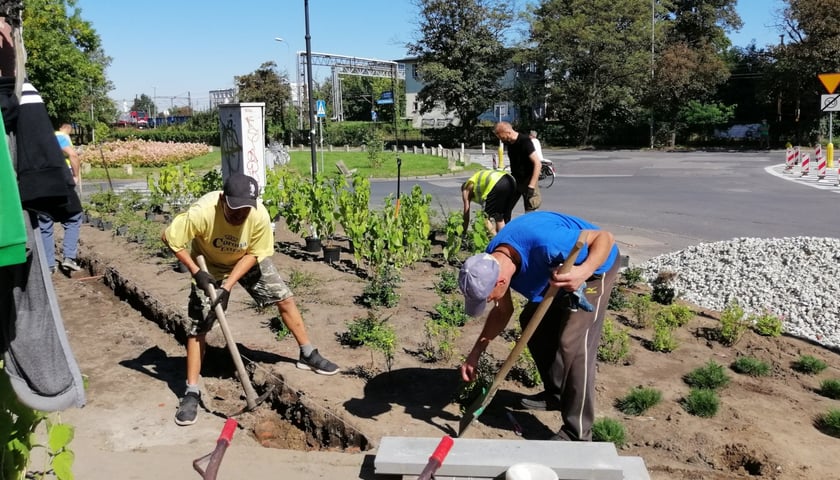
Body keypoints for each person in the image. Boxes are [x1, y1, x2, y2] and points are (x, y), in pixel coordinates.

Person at [161, 173, 339, 426]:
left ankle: (307, 353)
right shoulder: (202, 212)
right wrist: (197, 272)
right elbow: (169, 237)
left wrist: (229, 286)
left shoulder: (258, 216)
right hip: (207, 266)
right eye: (234, 210)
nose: (239, 215)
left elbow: (256, 253)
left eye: (245, 210)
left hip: (245, 260)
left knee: (284, 297)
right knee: (197, 327)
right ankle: (191, 391)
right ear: (223, 199)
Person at [458, 211, 620, 442]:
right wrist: (475, 353)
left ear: (501, 282)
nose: (490, 301)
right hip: (556, 271)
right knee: (531, 323)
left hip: (594, 266)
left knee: (573, 344)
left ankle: (578, 433)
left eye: (488, 297)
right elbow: (503, 311)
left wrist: (582, 273)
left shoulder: (548, 243)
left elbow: (604, 238)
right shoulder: (490, 263)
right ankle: (556, 395)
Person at [38, 122, 82, 273]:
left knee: (45, 223)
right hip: (61, 180)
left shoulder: (30, 139)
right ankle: (69, 257)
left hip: (40, 184)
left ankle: (49, 265)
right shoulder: (59, 137)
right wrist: (75, 176)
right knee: (73, 217)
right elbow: (73, 155)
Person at [494, 122, 541, 212]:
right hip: (515, 181)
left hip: (528, 182)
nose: (501, 139)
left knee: (530, 211)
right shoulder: (510, 144)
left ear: (507, 132)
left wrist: (531, 186)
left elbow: (537, 163)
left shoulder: (525, 141)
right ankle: (506, 225)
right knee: (504, 209)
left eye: (501, 136)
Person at [461, 169, 518, 236]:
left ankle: (496, 241)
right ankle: (504, 241)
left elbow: (466, 215)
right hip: (511, 182)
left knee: (484, 219)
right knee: (499, 216)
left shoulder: (466, 189)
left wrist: (463, 232)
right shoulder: (476, 182)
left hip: (496, 183)